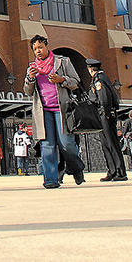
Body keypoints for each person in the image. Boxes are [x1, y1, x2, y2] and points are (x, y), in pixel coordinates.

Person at [23, 34, 85, 189]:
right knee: (47, 145)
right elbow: (28, 92)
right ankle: (50, 179)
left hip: (62, 110)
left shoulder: (62, 62)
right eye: (35, 49)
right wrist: (29, 79)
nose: (38, 51)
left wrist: (61, 80)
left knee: (67, 144)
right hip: (43, 112)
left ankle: (77, 169)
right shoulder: (32, 68)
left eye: (40, 47)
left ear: (47, 46)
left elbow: (76, 82)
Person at [87, 59, 126, 182]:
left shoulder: (99, 80)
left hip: (104, 114)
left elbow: (103, 97)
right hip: (104, 114)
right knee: (106, 144)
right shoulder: (102, 77)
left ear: (91, 69)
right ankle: (112, 170)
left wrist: (105, 113)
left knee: (111, 143)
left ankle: (119, 171)